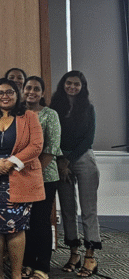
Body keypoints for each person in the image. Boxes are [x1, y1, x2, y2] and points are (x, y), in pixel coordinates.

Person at [0, 78, 44, 279]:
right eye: (0, 93)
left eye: (9, 92)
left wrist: (10, 163)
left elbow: (36, 146)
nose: (5, 96)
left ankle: (16, 274)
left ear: (17, 94)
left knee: (16, 228)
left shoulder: (29, 117)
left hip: (20, 178)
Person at [50, 70, 101, 278]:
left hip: (83, 159)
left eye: (76, 84)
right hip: (60, 160)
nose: (72, 87)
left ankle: (90, 256)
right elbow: (53, 136)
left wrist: (67, 161)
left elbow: (88, 139)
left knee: (89, 210)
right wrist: (61, 160)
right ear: (63, 84)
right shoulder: (55, 107)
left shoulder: (88, 108)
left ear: (82, 87)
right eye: (68, 83)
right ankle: (74, 254)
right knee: (68, 209)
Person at [21, 76, 62, 279]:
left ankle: (42, 266)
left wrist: (34, 173)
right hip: (20, 176)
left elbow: (51, 149)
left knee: (41, 221)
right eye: (28, 87)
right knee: (24, 222)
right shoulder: (17, 113)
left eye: (36, 89)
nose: (32, 92)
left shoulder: (50, 115)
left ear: (43, 93)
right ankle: (27, 262)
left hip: (45, 177)